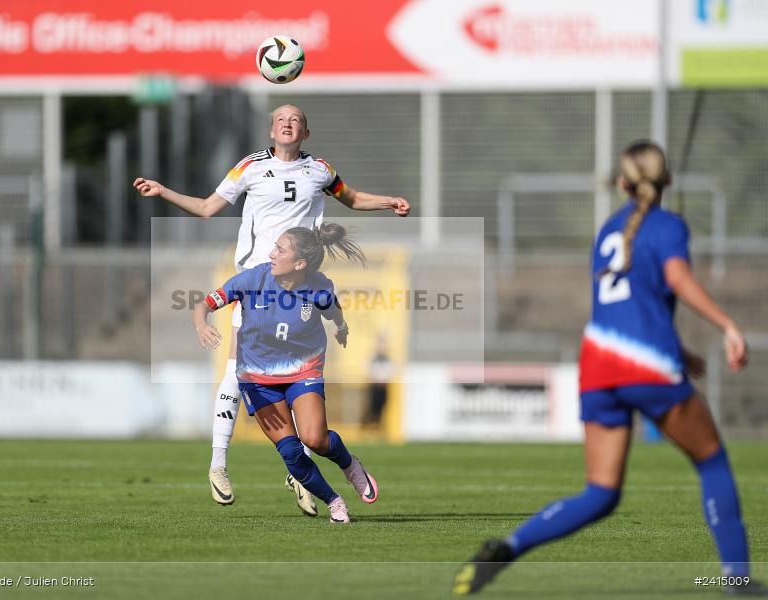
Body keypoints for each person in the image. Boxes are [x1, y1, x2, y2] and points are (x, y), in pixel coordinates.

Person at [454, 141, 764, 596]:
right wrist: (728, 325)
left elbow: (627, 304)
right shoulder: (667, 225)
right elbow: (675, 280)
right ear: (669, 181)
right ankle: (736, 580)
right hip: (647, 364)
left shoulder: (607, 231)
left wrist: (677, 348)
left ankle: (508, 548)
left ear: (621, 184)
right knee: (712, 461)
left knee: (601, 492)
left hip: (598, 365)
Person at [135, 104, 408, 514]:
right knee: (238, 369)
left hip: (298, 287)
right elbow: (209, 208)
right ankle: (219, 463)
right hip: (256, 285)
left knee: (299, 382)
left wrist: (387, 201)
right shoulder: (249, 166)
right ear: (271, 127)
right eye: (281, 118)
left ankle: (305, 464)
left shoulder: (320, 170)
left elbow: (350, 198)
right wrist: (164, 191)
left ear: (306, 131)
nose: (287, 123)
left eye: (295, 119)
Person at [192, 224, 379, 523]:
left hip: (302, 369)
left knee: (315, 439)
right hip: (256, 378)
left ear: (300, 263)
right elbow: (205, 303)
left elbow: (334, 310)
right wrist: (202, 325)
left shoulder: (318, 287)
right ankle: (334, 502)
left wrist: (342, 328)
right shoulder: (254, 278)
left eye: (280, 249)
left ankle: (351, 466)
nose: (271, 253)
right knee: (292, 452)